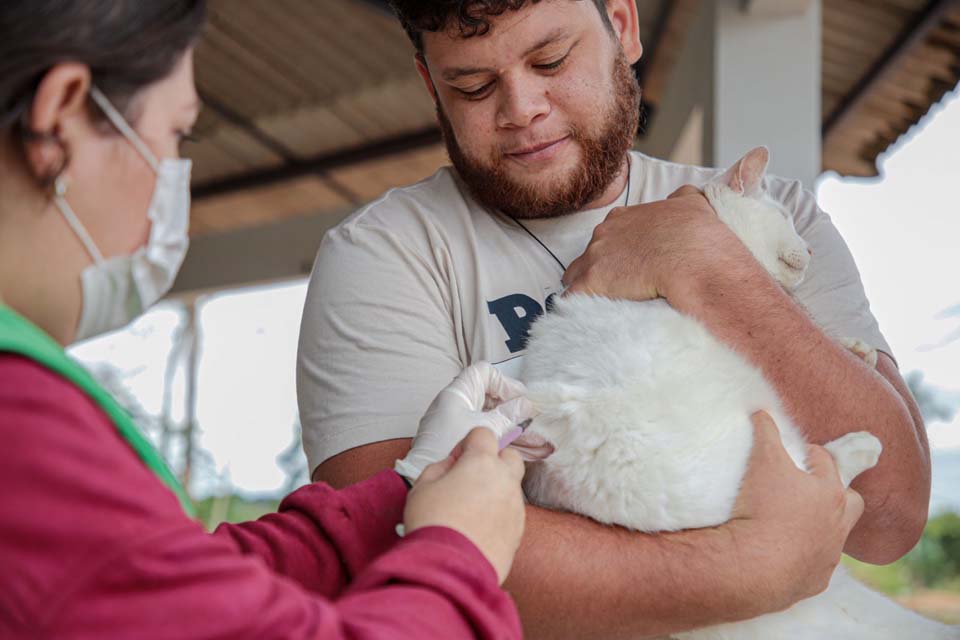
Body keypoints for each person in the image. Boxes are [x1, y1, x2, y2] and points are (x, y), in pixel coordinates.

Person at [296, 1, 933, 638]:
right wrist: (744, 567)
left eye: (551, 60)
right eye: (474, 86)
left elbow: (890, 516)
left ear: (622, 28)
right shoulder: (384, 251)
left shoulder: (768, 211)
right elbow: (385, 545)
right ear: (432, 85)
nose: (521, 109)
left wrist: (710, 268)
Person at [0, 2, 536, 638]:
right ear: (59, 115)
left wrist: (407, 486)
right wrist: (459, 554)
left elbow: (175, 583)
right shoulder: (19, 425)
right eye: (176, 136)